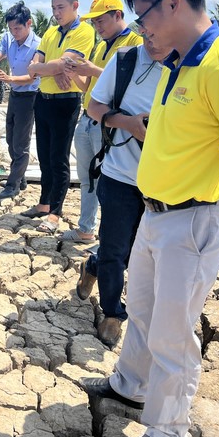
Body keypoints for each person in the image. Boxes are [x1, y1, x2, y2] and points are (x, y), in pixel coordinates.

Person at [78, 0, 219, 437]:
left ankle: (168, 436)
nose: (140, 29)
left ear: (171, 3)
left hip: (193, 220)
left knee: (172, 330)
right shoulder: (174, 61)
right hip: (157, 211)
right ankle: (130, 385)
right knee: (141, 309)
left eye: (141, 17)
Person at [75, 38, 168, 348]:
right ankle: (113, 312)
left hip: (165, 183)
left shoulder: (190, 63)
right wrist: (128, 123)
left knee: (131, 252)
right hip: (119, 175)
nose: (150, 37)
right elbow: (95, 105)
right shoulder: (126, 60)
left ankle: (92, 266)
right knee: (115, 250)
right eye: (143, 26)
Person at [61, 0, 143, 244]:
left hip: (111, 124)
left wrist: (91, 70)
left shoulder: (136, 44)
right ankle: (86, 228)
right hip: (87, 120)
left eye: (101, 21)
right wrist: (74, 71)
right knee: (87, 177)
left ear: (118, 15)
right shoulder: (99, 46)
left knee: (111, 181)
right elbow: (88, 88)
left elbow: (128, 83)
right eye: (94, 22)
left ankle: (111, 236)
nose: (97, 27)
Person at [26, 0, 95, 234]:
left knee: (59, 158)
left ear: (75, 5)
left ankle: (55, 213)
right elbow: (35, 64)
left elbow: (64, 62)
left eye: (61, 7)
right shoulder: (50, 32)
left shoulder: (85, 32)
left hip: (66, 103)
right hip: (43, 99)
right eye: (54, 7)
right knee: (44, 155)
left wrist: (50, 68)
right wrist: (50, 70)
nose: (56, 12)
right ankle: (44, 204)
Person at [0, 1, 41, 200]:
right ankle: (21, 177)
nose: (14, 32)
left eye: (17, 28)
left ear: (28, 23)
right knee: (9, 138)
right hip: (15, 95)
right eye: (10, 28)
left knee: (21, 143)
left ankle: (12, 185)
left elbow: (33, 76)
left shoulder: (38, 45)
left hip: (30, 97)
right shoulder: (8, 38)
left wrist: (9, 79)